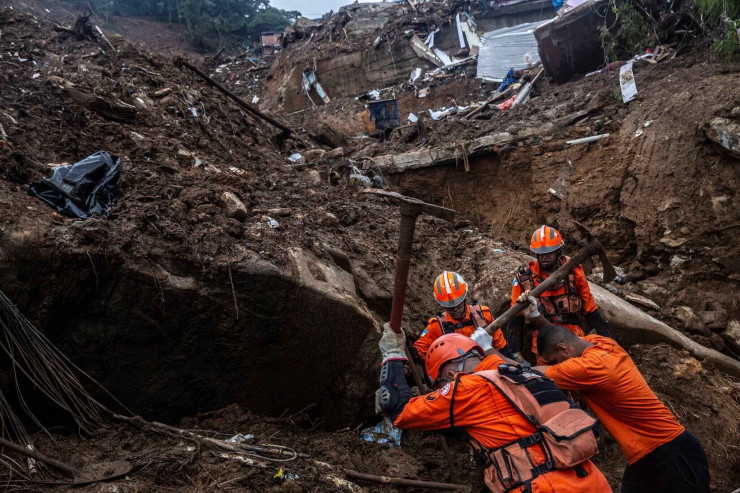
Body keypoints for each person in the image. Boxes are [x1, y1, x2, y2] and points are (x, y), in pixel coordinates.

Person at [376, 323, 613, 493]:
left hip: (543, 487)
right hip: (591, 479)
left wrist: (392, 355)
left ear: (450, 375)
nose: (442, 392)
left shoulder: (468, 387)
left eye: (440, 387)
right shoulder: (521, 373)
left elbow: (398, 408)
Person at [519, 293, 710, 493]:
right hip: (645, 456)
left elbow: (532, 372)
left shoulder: (590, 367)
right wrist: (535, 315)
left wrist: (489, 351)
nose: (555, 366)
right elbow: (562, 338)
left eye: (554, 361)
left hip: (671, 452)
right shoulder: (601, 344)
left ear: (563, 350)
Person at [507, 225, 609, 364]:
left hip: (572, 337)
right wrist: (514, 354)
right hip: (544, 339)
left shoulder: (573, 271)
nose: (544, 257)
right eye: (541, 253)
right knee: (549, 379)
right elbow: (515, 318)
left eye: (549, 253)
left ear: (558, 251)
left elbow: (590, 309)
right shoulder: (525, 279)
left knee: (581, 374)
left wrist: (608, 344)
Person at [412, 271, 510, 362]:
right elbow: (419, 351)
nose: (455, 309)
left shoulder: (484, 315)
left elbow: (501, 347)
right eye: (450, 307)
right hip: (461, 376)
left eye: (458, 305)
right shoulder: (436, 327)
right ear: (442, 305)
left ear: (464, 299)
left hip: (490, 368)